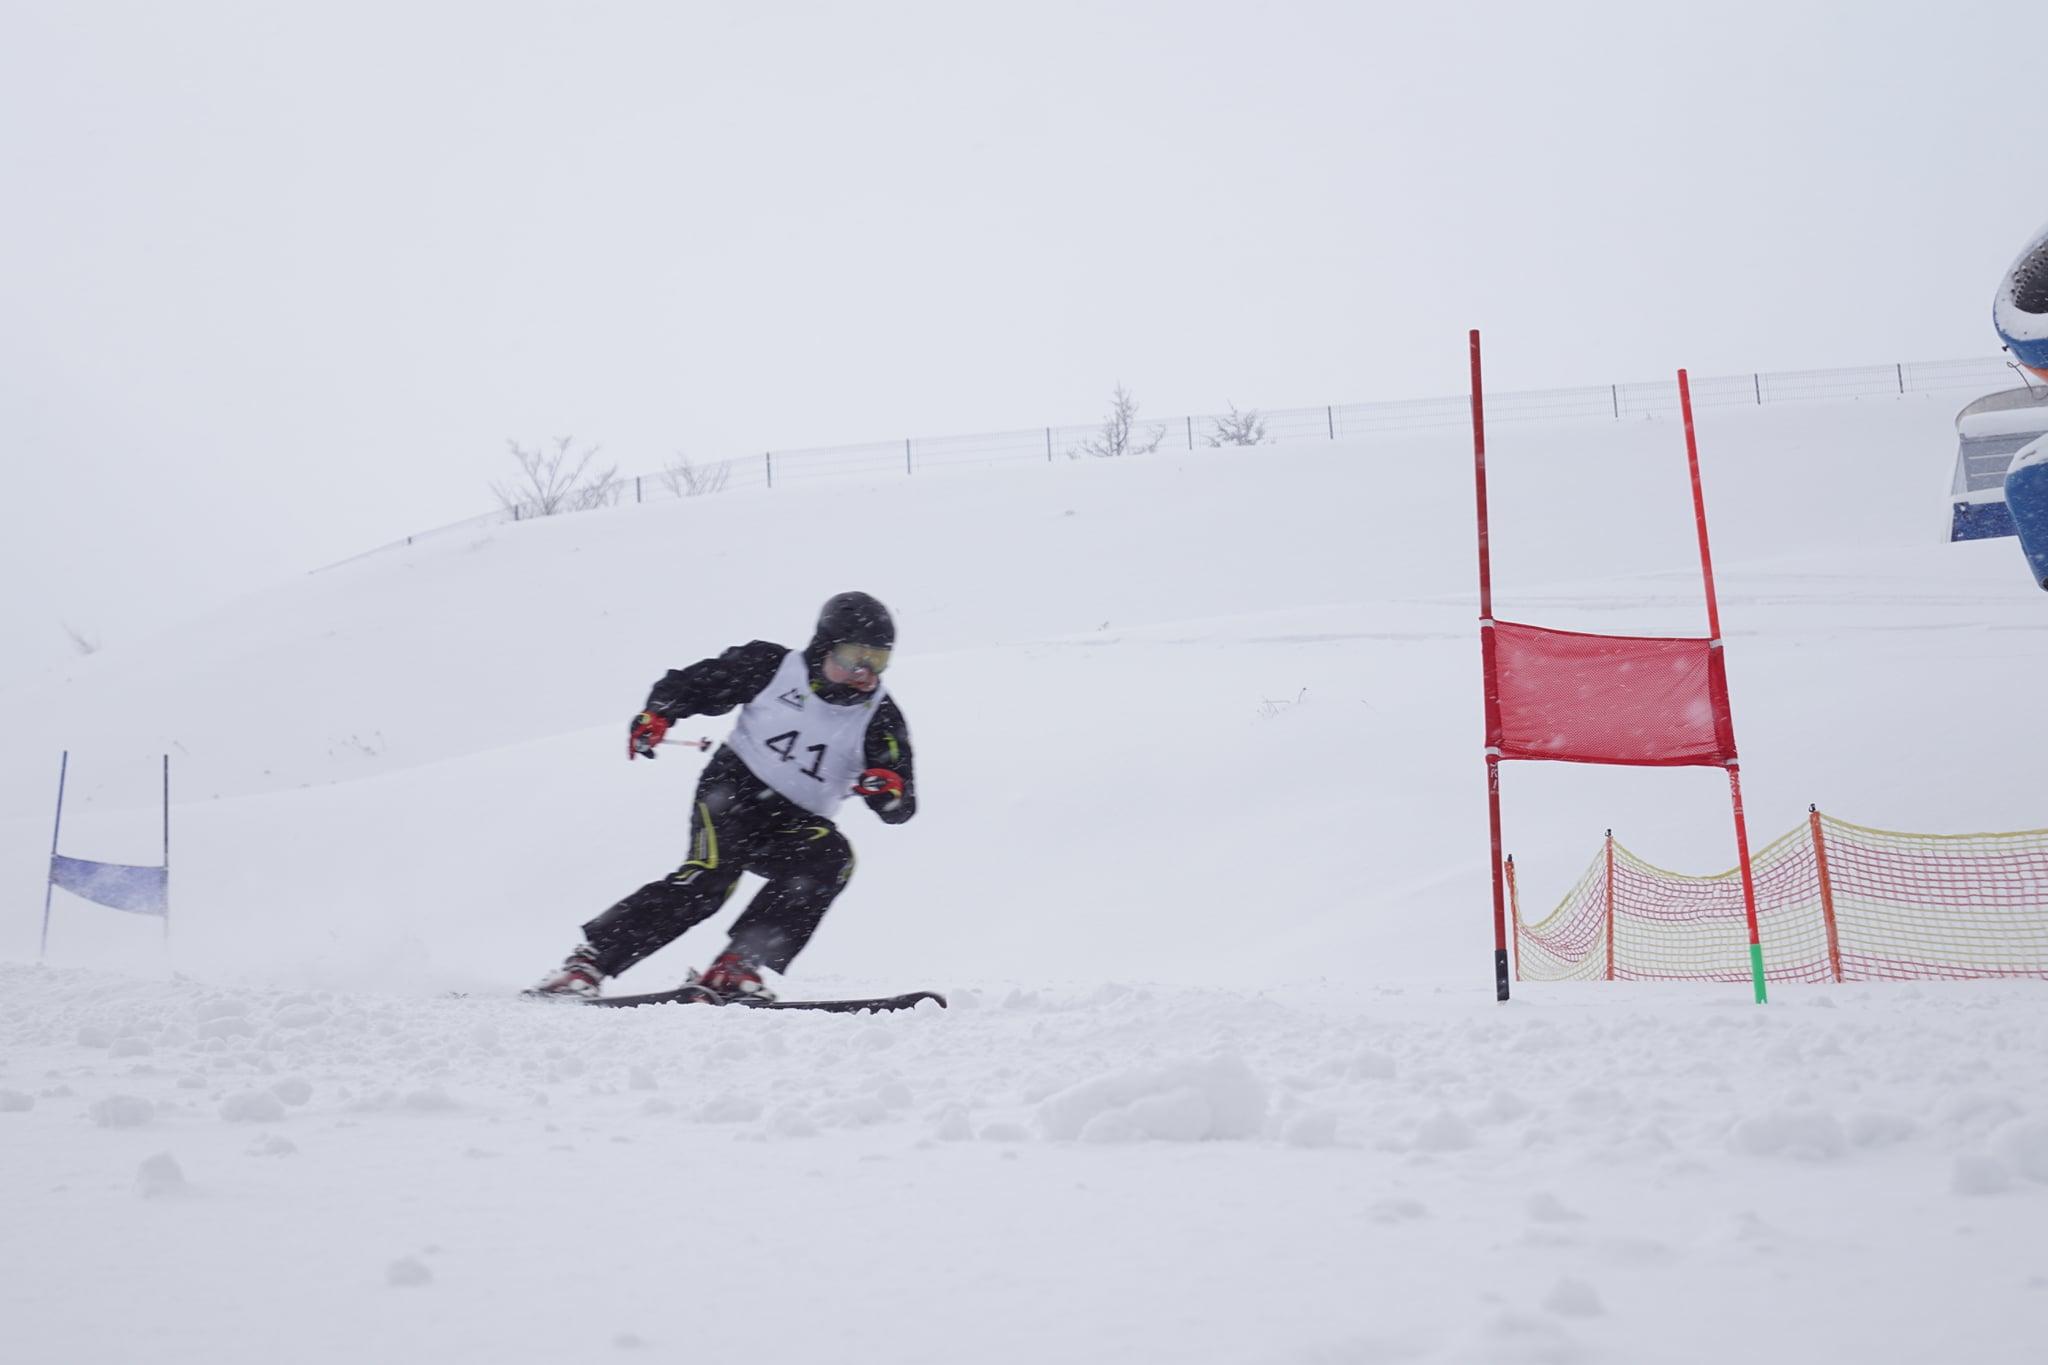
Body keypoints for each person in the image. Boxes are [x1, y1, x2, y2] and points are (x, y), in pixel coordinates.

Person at [530, 591, 916, 1002]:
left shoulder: (881, 719)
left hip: (796, 823)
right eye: (854, 657)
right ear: (823, 647)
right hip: (735, 792)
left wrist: (887, 791)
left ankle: (736, 967)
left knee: (831, 858)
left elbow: (901, 803)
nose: (864, 673)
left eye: (877, 661)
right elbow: (692, 683)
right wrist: (659, 713)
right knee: (711, 877)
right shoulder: (771, 666)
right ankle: (588, 963)